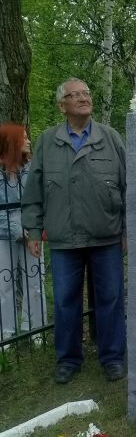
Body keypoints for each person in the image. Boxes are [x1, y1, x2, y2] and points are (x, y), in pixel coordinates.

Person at [22, 78, 127, 383]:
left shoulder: (110, 138)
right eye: (75, 95)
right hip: (64, 239)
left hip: (106, 235)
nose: (83, 98)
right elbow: (34, 191)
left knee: (110, 298)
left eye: (86, 93)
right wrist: (33, 230)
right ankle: (68, 359)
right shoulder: (47, 141)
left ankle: (113, 357)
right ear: (62, 106)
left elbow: (128, 186)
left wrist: (127, 230)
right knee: (65, 301)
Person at [0, 124, 45, 340]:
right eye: (24, 138)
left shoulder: (32, 168)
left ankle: (35, 329)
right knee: (4, 283)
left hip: (32, 230)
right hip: (3, 235)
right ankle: (7, 332)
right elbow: (1, 210)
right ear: (12, 143)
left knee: (34, 280)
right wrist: (20, 231)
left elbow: (39, 200)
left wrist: (33, 229)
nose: (28, 141)